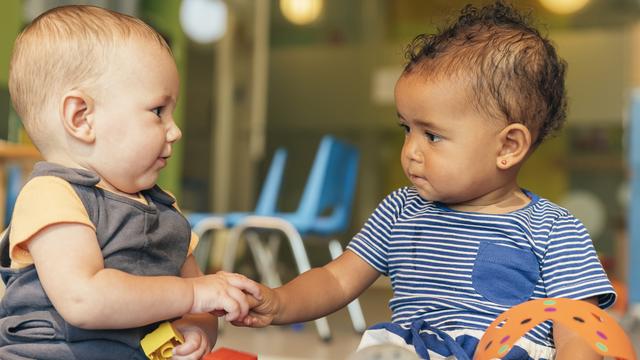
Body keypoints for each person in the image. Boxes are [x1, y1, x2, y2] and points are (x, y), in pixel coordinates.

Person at [238, 2, 616, 359]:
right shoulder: (401, 210)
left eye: (432, 136)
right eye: (406, 129)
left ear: (509, 146)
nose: (411, 151)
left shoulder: (554, 230)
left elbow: (576, 326)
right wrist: (280, 301)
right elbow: (337, 281)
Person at [0, 5, 260, 360]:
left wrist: (197, 328)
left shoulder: (164, 208)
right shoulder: (52, 195)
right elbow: (84, 299)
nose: (175, 130)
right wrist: (196, 294)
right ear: (81, 118)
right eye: (157, 111)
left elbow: (198, 304)